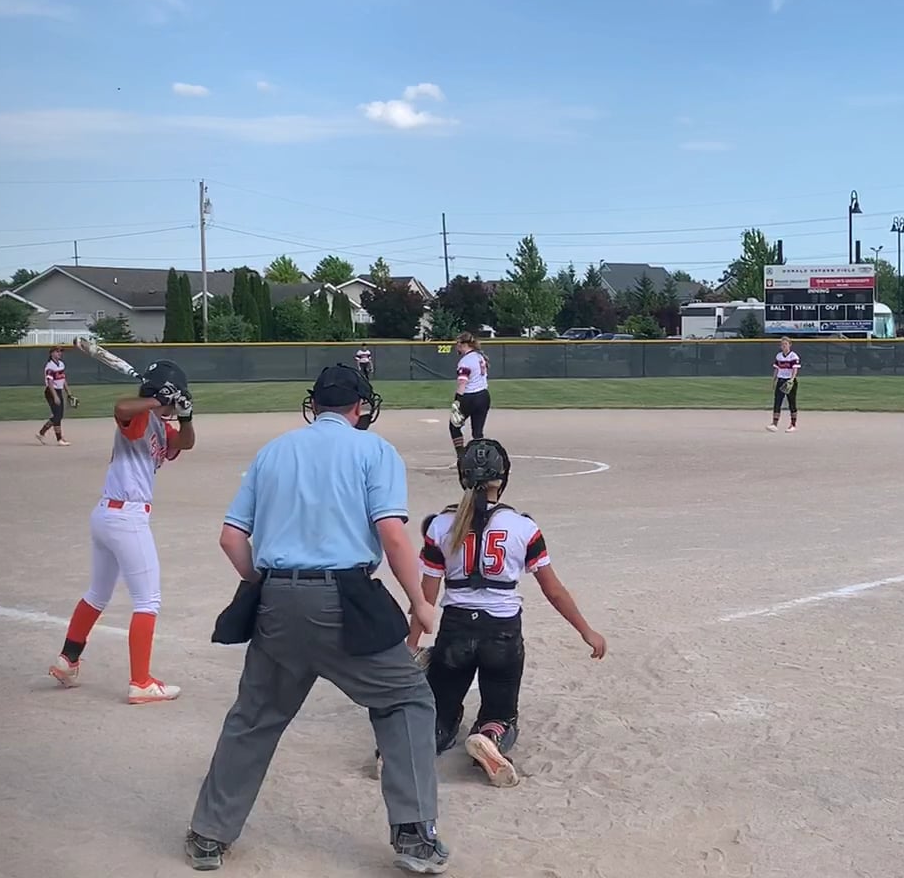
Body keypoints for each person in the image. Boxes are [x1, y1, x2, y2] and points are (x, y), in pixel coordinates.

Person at [186, 365, 448, 874]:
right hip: (345, 599)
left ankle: (208, 834)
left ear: (315, 405)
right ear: (360, 407)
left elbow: (231, 539)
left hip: (276, 602)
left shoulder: (273, 451)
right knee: (406, 698)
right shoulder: (374, 450)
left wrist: (263, 583)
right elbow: (392, 534)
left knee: (254, 717)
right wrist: (419, 602)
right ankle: (415, 837)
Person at [412, 438, 606, 788]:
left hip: (455, 629)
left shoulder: (440, 526)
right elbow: (553, 590)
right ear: (502, 478)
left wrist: (411, 643)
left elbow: (425, 596)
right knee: (501, 712)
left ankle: (417, 743)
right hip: (501, 631)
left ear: (462, 476)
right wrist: (585, 630)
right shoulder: (522, 527)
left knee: (440, 711)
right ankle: (490, 735)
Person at [47, 360, 194, 702]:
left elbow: (185, 443)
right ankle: (141, 682)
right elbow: (121, 407)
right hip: (126, 517)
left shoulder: (160, 425)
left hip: (110, 515)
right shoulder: (141, 416)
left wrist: (186, 416)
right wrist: (158, 400)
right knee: (148, 600)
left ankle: (68, 660)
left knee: (98, 594)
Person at [448, 331, 491, 459]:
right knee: (477, 432)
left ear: (464, 344)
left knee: (454, 426)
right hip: (484, 396)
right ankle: (480, 459)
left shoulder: (465, 361)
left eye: (458, 343)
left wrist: (457, 400)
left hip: (469, 397)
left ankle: (461, 457)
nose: (456, 346)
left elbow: (463, 382)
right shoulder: (479, 356)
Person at [36, 346, 71, 445]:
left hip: (58, 391)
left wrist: (68, 392)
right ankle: (59, 439)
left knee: (58, 415)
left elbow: (63, 379)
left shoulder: (61, 364)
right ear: (51, 353)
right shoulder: (50, 366)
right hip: (51, 392)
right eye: (57, 351)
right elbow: (50, 382)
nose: (59, 353)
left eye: (60, 351)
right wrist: (55, 396)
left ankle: (41, 433)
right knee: (57, 415)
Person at [769, 336, 799, 432]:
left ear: (790, 345)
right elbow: (776, 369)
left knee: (792, 402)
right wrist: (774, 380)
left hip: (790, 381)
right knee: (777, 402)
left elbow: (795, 369)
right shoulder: (779, 356)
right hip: (781, 380)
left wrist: (792, 380)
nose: (784, 346)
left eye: (785, 344)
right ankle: (774, 424)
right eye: (782, 344)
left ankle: (793, 424)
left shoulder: (793, 356)